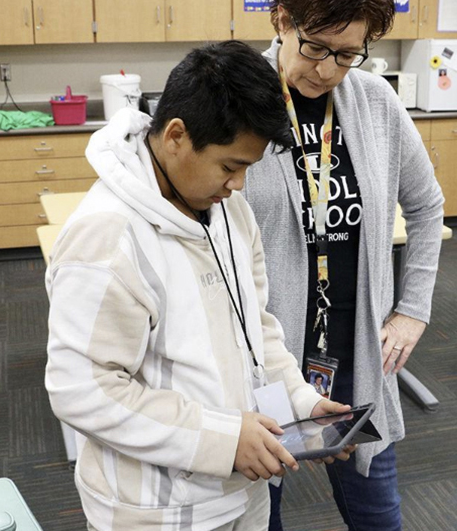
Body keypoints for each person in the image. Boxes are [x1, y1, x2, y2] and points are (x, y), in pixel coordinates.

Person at [45, 41, 352, 531]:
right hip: (155, 510)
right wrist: (221, 439)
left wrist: (301, 402)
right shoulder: (106, 237)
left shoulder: (229, 211)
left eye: (248, 169)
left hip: (239, 489)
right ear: (175, 137)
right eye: (230, 166)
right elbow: (82, 388)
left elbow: (257, 330)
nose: (238, 186)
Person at [242, 0, 445, 531]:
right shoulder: (237, 100)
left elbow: (427, 206)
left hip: (354, 355)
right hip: (265, 362)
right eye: (315, 48)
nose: (327, 70)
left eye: (348, 54)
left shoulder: (374, 102)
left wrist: (412, 311)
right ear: (281, 19)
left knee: (378, 514)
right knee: (261, 512)